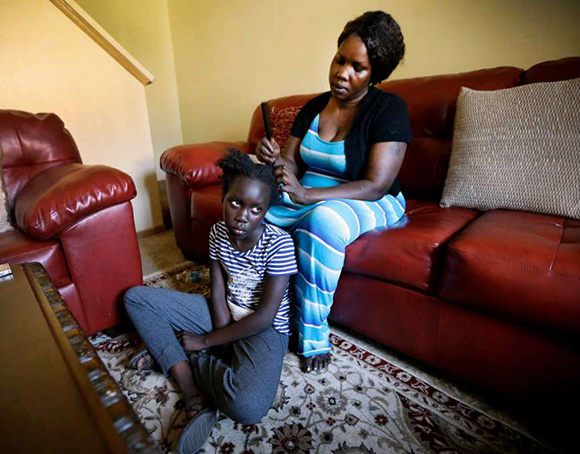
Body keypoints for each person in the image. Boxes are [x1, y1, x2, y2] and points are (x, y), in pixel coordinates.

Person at [256, 11, 412, 373]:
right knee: (255, 207)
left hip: (371, 199)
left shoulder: (389, 109)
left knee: (323, 221)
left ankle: (312, 335)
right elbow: (292, 163)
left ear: (376, 73)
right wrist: (276, 161)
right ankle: (257, 307)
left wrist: (307, 196)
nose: (342, 72)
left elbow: (376, 185)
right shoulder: (313, 106)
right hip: (312, 191)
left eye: (357, 67)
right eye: (340, 60)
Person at [124, 149, 297, 454]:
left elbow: (266, 317)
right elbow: (217, 290)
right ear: (223, 197)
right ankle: (192, 390)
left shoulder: (279, 243)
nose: (243, 216)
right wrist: (221, 337)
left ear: (267, 209)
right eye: (236, 203)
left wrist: (205, 342)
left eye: (256, 209)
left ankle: (182, 353)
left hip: (264, 330)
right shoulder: (218, 232)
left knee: (247, 407)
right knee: (136, 298)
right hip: (224, 313)